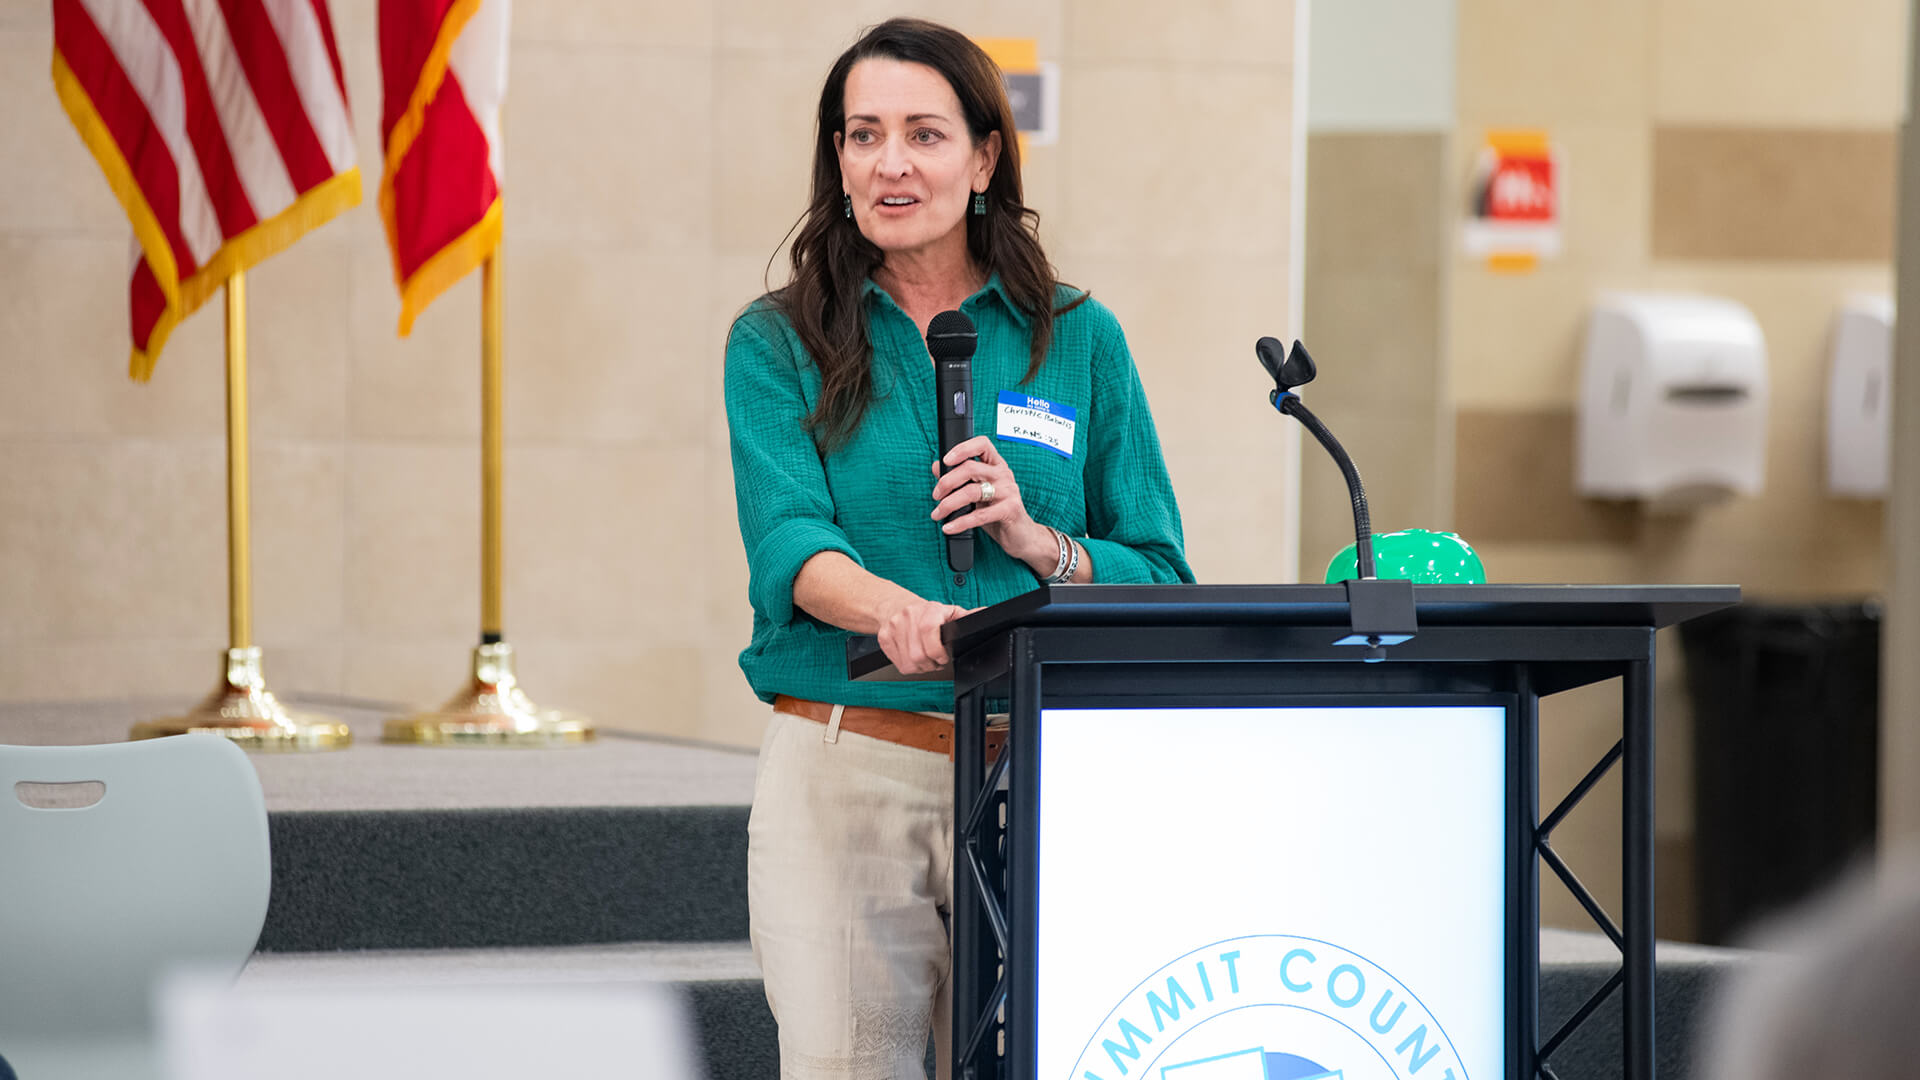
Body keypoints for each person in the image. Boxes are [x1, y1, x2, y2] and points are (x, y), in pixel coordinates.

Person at [724, 18, 1193, 1079]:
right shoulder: (778, 338)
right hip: (851, 772)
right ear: (837, 159)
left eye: (923, 134)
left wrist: (1038, 541)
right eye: (864, 135)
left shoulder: (1077, 335)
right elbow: (790, 542)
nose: (889, 162)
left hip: (1041, 776)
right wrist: (899, 612)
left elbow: (1158, 570)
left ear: (984, 158)